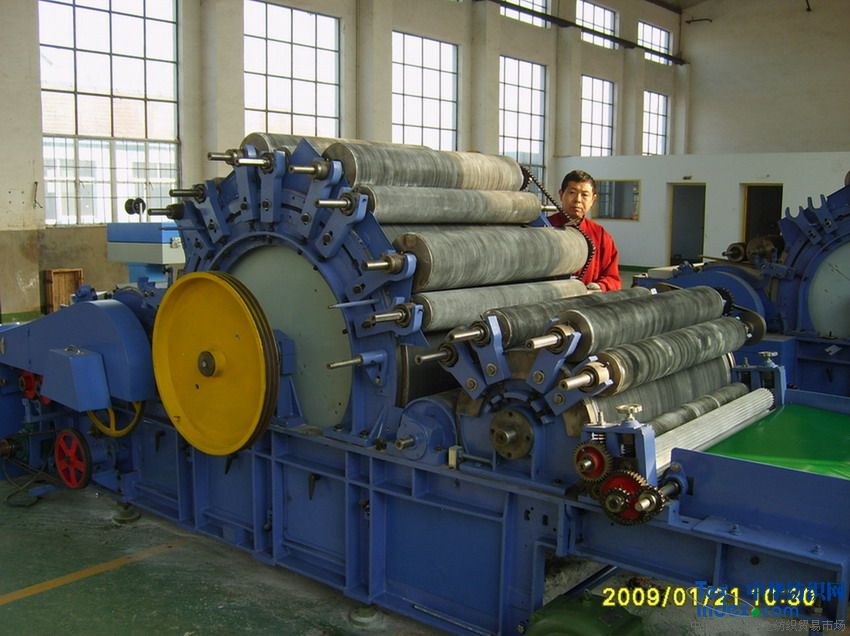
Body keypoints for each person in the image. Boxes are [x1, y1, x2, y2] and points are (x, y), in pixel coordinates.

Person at [548, 169, 621, 291]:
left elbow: (612, 278)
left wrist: (600, 286)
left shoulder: (600, 236)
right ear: (561, 194)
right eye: (572, 192)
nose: (578, 200)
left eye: (585, 195)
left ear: (593, 199)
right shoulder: (542, 229)